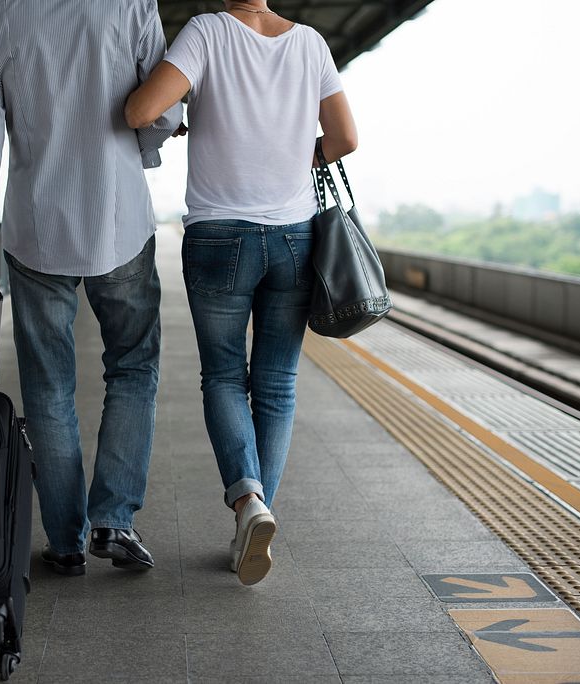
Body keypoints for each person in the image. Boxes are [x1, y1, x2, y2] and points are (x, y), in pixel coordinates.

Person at [0, 1, 183, 576]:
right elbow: (162, 108)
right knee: (133, 367)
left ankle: (66, 541)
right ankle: (114, 519)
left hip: (35, 228)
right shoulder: (131, 6)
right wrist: (147, 147)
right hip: (118, 220)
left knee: (48, 386)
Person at [125, 0, 358, 585]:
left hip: (218, 236)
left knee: (225, 375)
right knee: (276, 383)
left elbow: (139, 110)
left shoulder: (206, 33)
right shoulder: (310, 43)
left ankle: (249, 503)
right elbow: (346, 138)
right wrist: (292, 157)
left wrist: (184, 114)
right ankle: (253, 518)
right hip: (295, 237)